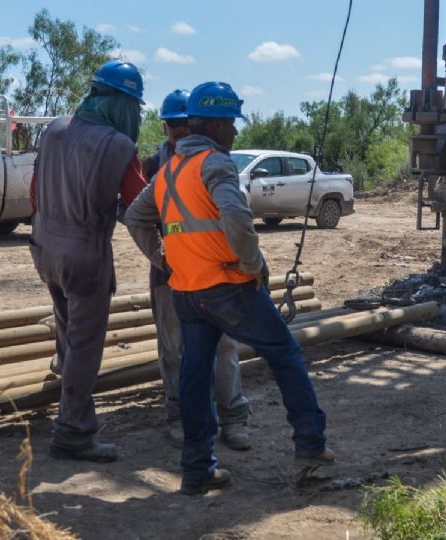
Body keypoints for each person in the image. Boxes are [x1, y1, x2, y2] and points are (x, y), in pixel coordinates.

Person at [123, 81, 333, 495]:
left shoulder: (168, 172)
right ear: (216, 125)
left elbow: (134, 216)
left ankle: (198, 470)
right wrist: (253, 264)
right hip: (229, 286)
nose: (235, 133)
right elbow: (236, 217)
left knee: (195, 374)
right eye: (232, 124)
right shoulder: (215, 164)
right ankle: (310, 443)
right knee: (285, 353)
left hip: (187, 292)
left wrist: (164, 259)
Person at [29, 60, 147, 463]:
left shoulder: (54, 131)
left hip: (44, 247)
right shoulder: (118, 146)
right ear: (122, 103)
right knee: (84, 346)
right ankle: (73, 433)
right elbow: (140, 204)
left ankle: (68, 402)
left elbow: (34, 194)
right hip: (85, 257)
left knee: (67, 334)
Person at [143, 89, 250, 451]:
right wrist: (161, 258)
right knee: (174, 351)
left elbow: (234, 214)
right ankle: (180, 418)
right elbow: (134, 217)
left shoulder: (212, 163)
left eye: (183, 123)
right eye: (172, 125)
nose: (178, 131)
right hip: (170, 276)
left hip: (216, 274)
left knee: (223, 348)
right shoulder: (153, 168)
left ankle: (233, 417)